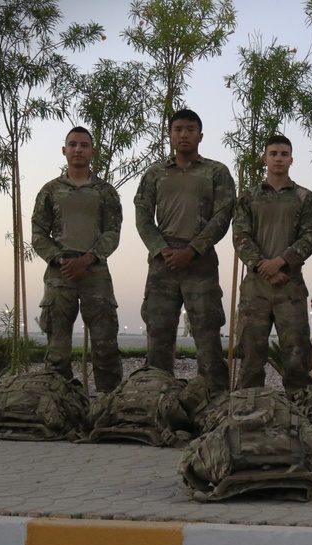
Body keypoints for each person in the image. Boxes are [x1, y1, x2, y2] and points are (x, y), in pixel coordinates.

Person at [134, 109, 236, 393]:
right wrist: (161, 249)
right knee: (159, 334)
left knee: (207, 334)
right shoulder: (155, 174)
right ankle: (156, 396)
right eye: (178, 129)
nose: (184, 134)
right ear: (169, 135)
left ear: (200, 135)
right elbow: (142, 216)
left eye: (190, 129)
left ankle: (214, 398)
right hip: (162, 264)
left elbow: (223, 216)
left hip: (200, 264)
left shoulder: (216, 172)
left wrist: (193, 249)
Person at [31, 126, 123, 393]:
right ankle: (61, 404)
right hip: (60, 274)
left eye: (84, 145)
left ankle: (109, 404)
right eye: (73, 145)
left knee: (105, 346)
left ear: (93, 151)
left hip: (95, 273)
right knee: (57, 350)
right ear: (64, 151)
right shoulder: (50, 191)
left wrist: (88, 259)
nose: (78, 150)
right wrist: (59, 259)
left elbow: (113, 232)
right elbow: (38, 232)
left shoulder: (105, 192)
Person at [231, 135, 312, 397]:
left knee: (296, 356)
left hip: (289, 287)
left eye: (284, 154)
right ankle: (247, 410)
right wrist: (261, 266)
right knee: (250, 355)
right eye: (273, 153)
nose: (278, 158)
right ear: (265, 158)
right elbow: (240, 236)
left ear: (291, 159)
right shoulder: (249, 198)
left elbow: (309, 236)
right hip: (255, 289)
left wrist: (281, 263)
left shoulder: (305, 198)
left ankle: (300, 409)